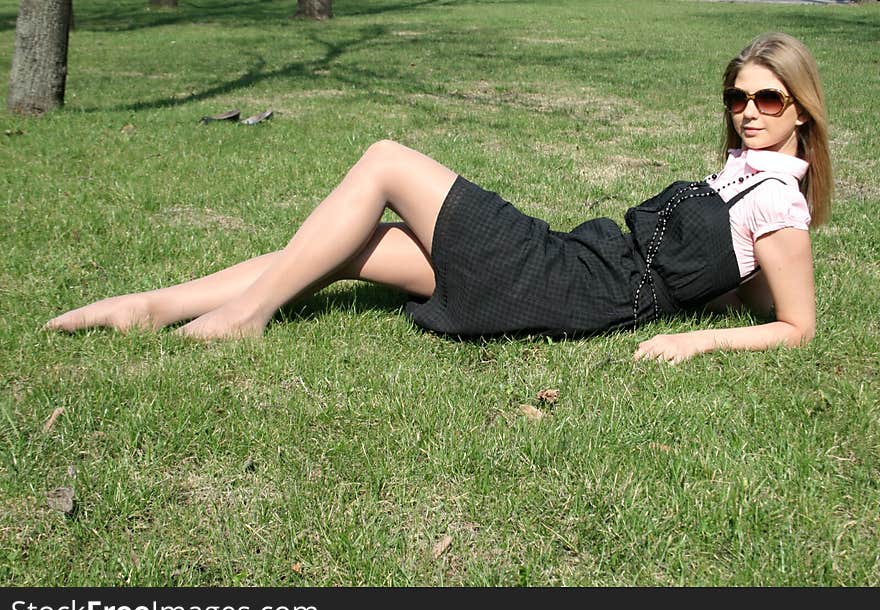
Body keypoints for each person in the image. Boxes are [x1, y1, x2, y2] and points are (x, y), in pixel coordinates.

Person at [45, 32, 832, 364]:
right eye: (737, 97)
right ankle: (153, 304)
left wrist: (693, 340)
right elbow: (745, 285)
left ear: (800, 109)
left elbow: (797, 325)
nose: (749, 111)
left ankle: (244, 318)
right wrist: (718, 300)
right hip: (569, 263)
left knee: (387, 161)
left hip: (566, 287)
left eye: (767, 99)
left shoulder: (780, 206)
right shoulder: (745, 178)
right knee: (355, 248)